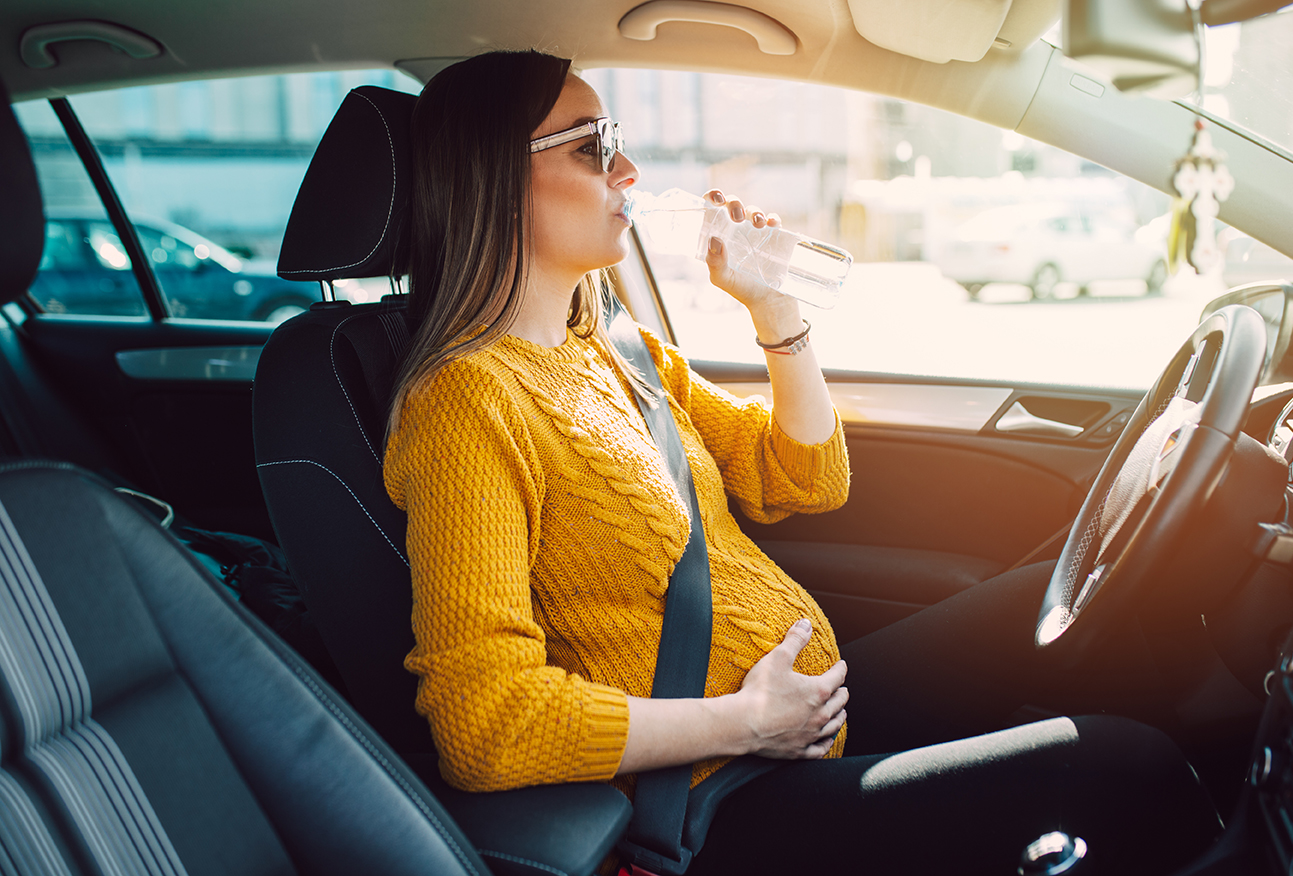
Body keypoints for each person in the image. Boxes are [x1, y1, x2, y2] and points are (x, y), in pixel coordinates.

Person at [382, 50, 1221, 874]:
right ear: (493, 177)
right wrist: (745, 722)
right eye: (592, 145)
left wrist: (775, 310)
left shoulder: (614, 349)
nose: (628, 167)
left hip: (796, 720)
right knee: (1123, 766)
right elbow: (482, 722)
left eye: (618, 137)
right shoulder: (466, 403)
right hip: (719, 796)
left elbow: (805, 477)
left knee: (1088, 601)